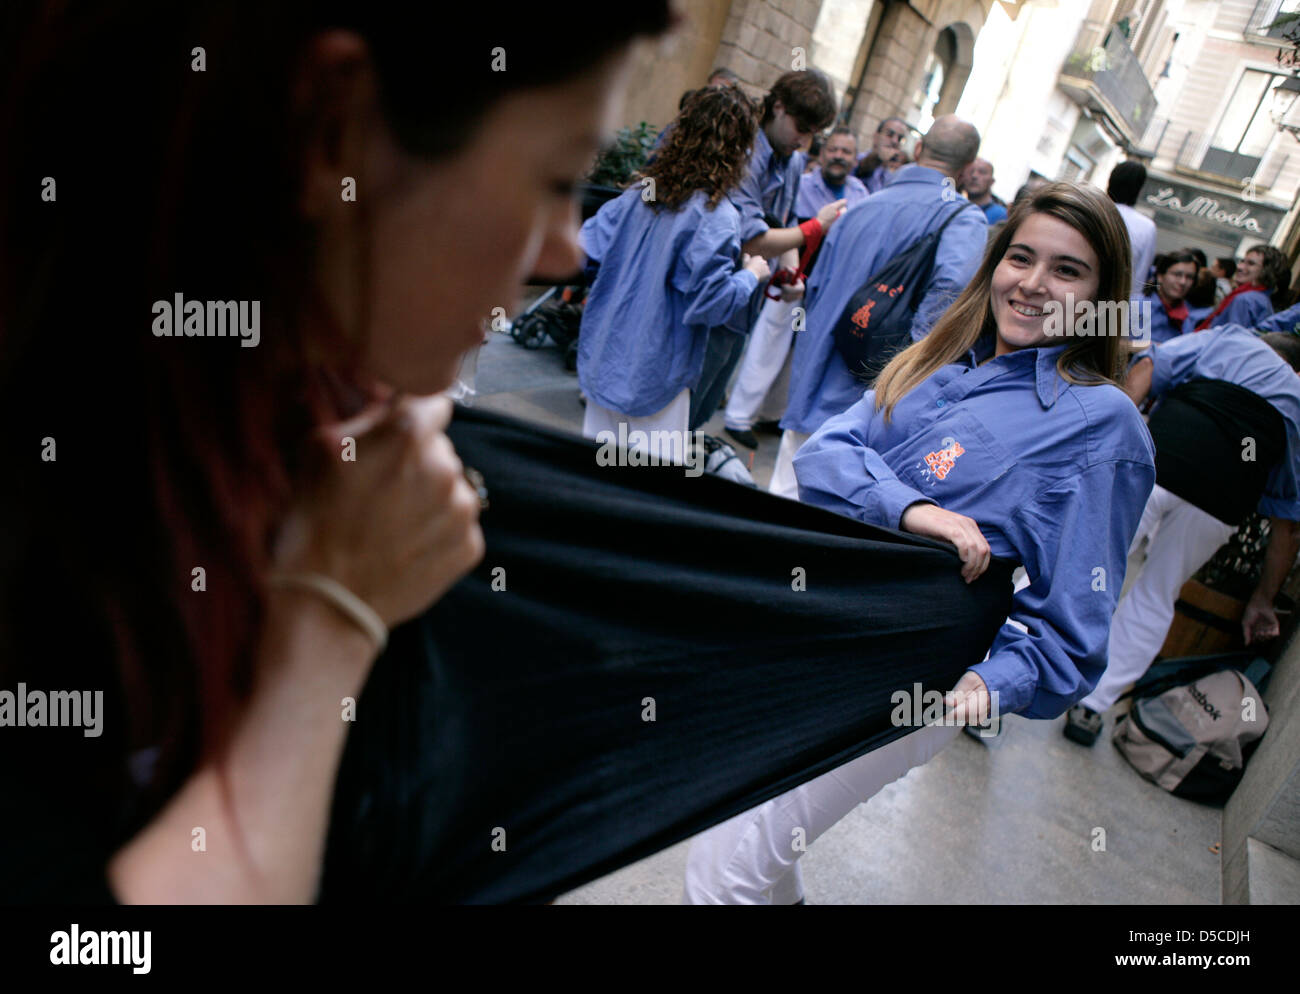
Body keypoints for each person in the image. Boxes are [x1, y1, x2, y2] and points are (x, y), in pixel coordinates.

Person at [0, 0, 672, 903]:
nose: (567, 248)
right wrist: (329, 624)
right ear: (335, 129)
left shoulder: (276, 407)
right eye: (558, 178)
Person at [683, 182, 1156, 903]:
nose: (1031, 284)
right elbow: (823, 456)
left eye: (1067, 269)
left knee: (728, 863)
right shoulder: (940, 356)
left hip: (911, 675)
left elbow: (1076, 627)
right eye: (1020, 257)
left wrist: (987, 687)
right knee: (760, 835)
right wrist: (915, 510)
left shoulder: (1103, 425)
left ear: (1103, 292)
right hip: (814, 628)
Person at [1064, 329, 1300, 744]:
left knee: (1080, 561)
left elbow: (1153, 365)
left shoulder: (1231, 338)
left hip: (1162, 459)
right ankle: (1091, 707)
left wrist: (1116, 430)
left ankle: (1003, 665)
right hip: (1220, 501)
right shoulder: (1297, 400)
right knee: (1157, 593)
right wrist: (1263, 598)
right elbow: (1288, 521)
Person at [771, 115, 988, 498]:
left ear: (918, 150)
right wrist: (913, 376)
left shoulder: (861, 206)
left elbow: (816, 290)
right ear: (968, 169)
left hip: (816, 382)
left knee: (783, 497)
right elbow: (950, 293)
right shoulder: (963, 219)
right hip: (873, 402)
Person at [577, 85, 769, 453]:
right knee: (645, 493)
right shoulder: (717, 216)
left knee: (592, 480)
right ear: (740, 149)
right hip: (658, 374)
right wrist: (751, 275)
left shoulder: (641, 193)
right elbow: (711, 304)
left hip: (605, 356)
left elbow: (587, 248)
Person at [689, 68, 841, 431]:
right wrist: (815, 228)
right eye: (801, 129)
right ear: (777, 107)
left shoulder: (790, 158)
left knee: (703, 410)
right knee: (681, 410)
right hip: (711, 296)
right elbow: (754, 238)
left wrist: (792, 274)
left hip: (744, 304)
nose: (804, 141)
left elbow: (779, 225)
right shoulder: (746, 151)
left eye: (812, 135)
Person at [722, 127, 868, 450]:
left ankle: (772, 414)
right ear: (822, 152)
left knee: (796, 354)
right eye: (834, 150)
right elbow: (785, 227)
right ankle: (738, 417)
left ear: (854, 158)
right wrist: (793, 273)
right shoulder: (803, 185)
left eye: (846, 152)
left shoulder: (860, 194)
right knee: (768, 345)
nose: (839, 156)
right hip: (791, 282)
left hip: (826, 292)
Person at [1194, 245, 1288, 330]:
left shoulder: (1246, 299)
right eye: (1242, 261)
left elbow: (1231, 337)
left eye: (1251, 263)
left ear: (1266, 270)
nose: (1240, 267)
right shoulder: (1261, 299)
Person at [1108, 161, 1156, 300]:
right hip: (1114, 307)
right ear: (1140, 189)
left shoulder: (1090, 210)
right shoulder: (1147, 227)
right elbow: (1137, 284)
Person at [1138, 250, 1197, 345]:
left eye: (1189, 277)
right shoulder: (1136, 305)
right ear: (1160, 276)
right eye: (1177, 274)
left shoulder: (1188, 319)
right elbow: (1112, 342)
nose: (1183, 282)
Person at [854, 116, 910, 193]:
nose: (895, 141)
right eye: (889, 135)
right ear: (876, 136)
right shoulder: (856, 161)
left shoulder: (897, 173)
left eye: (900, 138)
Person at [959, 157, 1007, 225]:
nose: (974, 176)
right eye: (970, 172)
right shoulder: (954, 206)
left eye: (982, 172)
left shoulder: (1000, 215)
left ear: (991, 181)